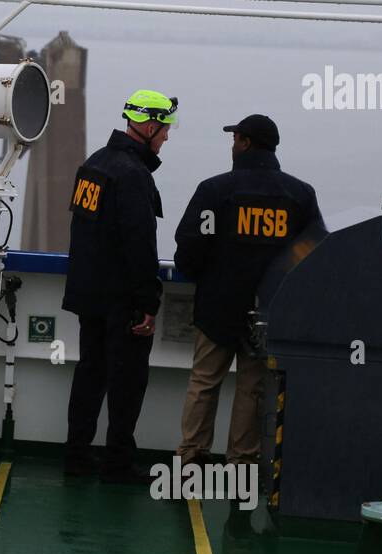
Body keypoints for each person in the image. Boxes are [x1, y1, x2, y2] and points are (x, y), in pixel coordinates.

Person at [173, 114, 323, 471]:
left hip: (217, 305)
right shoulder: (299, 195)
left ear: (244, 143)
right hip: (269, 311)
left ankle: (191, 456)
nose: (232, 145)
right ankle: (241, 461)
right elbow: (313, 248)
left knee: (204, 382)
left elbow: (191, 245)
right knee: (253, 388)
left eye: (235, 138)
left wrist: (203, 275)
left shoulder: (215, 190)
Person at [62, 88, 176, 482]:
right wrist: (148, 302)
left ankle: (76, 456)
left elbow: (82, 231)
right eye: (163, 129)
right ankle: (117, 463)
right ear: (146, 126)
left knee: (90, 375)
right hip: (121, 299)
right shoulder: (133, 175)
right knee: (127, 382)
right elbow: (140, 244)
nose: (166, 137)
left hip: (88, 293)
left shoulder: (94, 164)